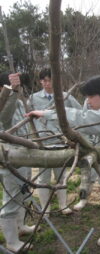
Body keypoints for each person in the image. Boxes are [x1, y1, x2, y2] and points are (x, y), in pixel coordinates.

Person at [26, 75, 100, 254]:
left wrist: (48, 114)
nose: (87, 101)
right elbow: (87, 117)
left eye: (90, 96)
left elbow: (83, 118)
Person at [28, 68, 82, 215]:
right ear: (40, 81)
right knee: (43, 177)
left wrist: (74, 133)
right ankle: (46, 208)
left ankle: (63, 205)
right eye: (44, 80)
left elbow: (79, 113)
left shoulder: (64, 97)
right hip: (42, 143)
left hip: (61, 141)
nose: (47, 83)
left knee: (61, 174)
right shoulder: (33, 98)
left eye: (50, 80)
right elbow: (26, 119)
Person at [0, 72, 36, 252]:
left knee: (23, 194)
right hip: (11, 161)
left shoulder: (19, 102)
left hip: (25, 156)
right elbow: (5, 118)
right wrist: (12, 92)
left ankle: (20, 227)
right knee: (11, 201)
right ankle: (11, 242)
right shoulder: (2, 105)